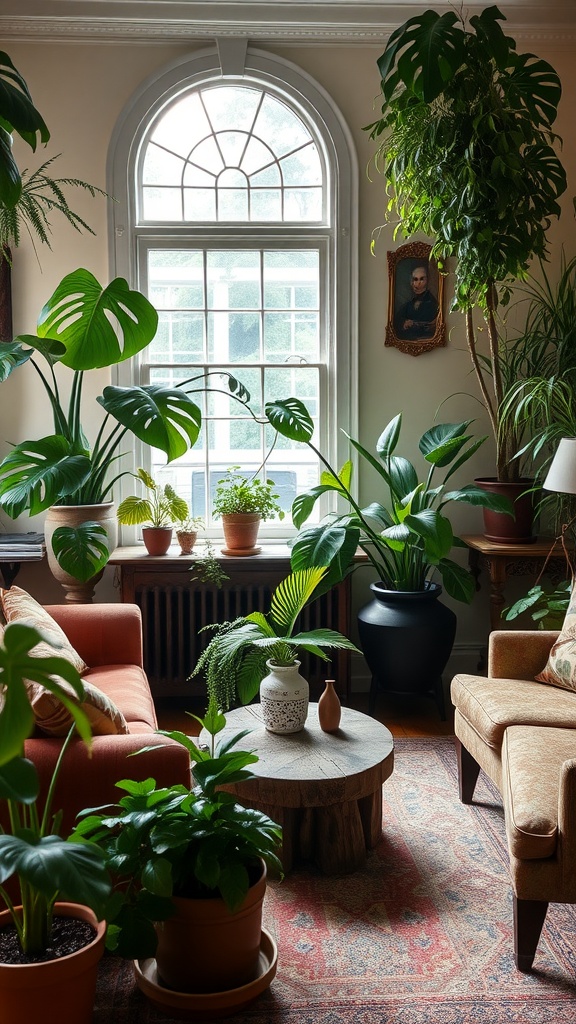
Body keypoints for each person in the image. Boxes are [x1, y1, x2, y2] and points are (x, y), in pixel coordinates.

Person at [395, 264, 439, 340]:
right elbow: (397, 320)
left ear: (427, 280)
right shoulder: (409, 304)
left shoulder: (432, 302)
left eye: (422, 279)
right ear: (412, 282)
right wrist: (404, 323)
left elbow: (430, 325)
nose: (418, 283)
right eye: (415, 279)